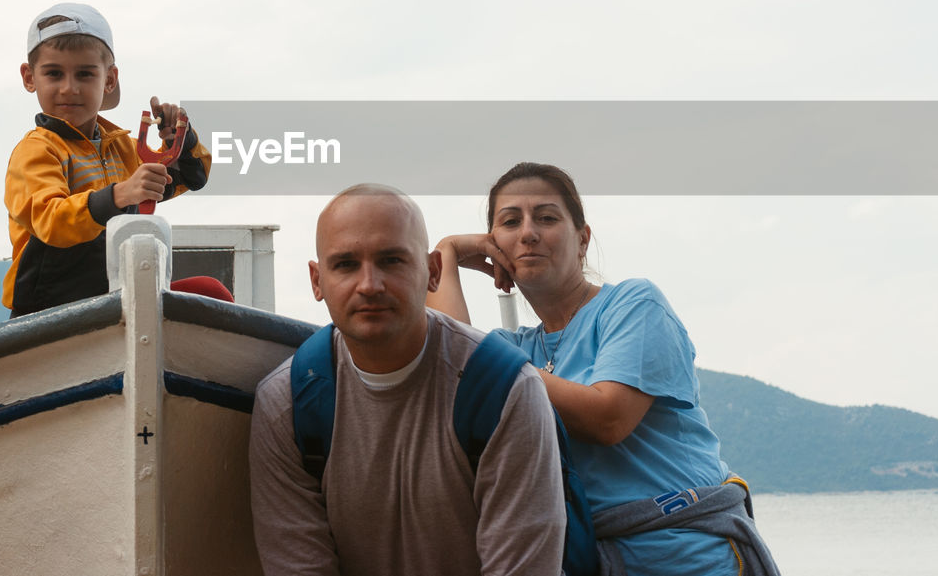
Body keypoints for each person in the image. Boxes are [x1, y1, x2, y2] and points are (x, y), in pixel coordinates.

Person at [430, 162, 779, 576]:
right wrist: (448, 250)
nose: (528, 232)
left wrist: (493, 367)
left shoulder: (633, 305)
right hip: (591, 560)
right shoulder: (516, 348)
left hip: (686, 555)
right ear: (495, 245)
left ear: (582, 240)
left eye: (546, 217)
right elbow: (451, 356)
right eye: (510, 221)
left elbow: (608, 418)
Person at [249, 184, 566, 576]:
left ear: (433, 272)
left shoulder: (502, 389)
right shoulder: (288, 404)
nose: (369, 285)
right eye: (345, 264)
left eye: (392, 260)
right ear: (317, 281)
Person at [3, 3, 230, 317]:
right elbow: (50, 221)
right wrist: (122, 193)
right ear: (30, 78)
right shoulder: (36, 150)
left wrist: (182, 139)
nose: (69, 88)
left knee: (212, 292)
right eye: (54, 73)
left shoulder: (122, 148)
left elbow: (194, 177)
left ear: (109, 80)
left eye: (85, 74)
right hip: (48, 308)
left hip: (117, 297)